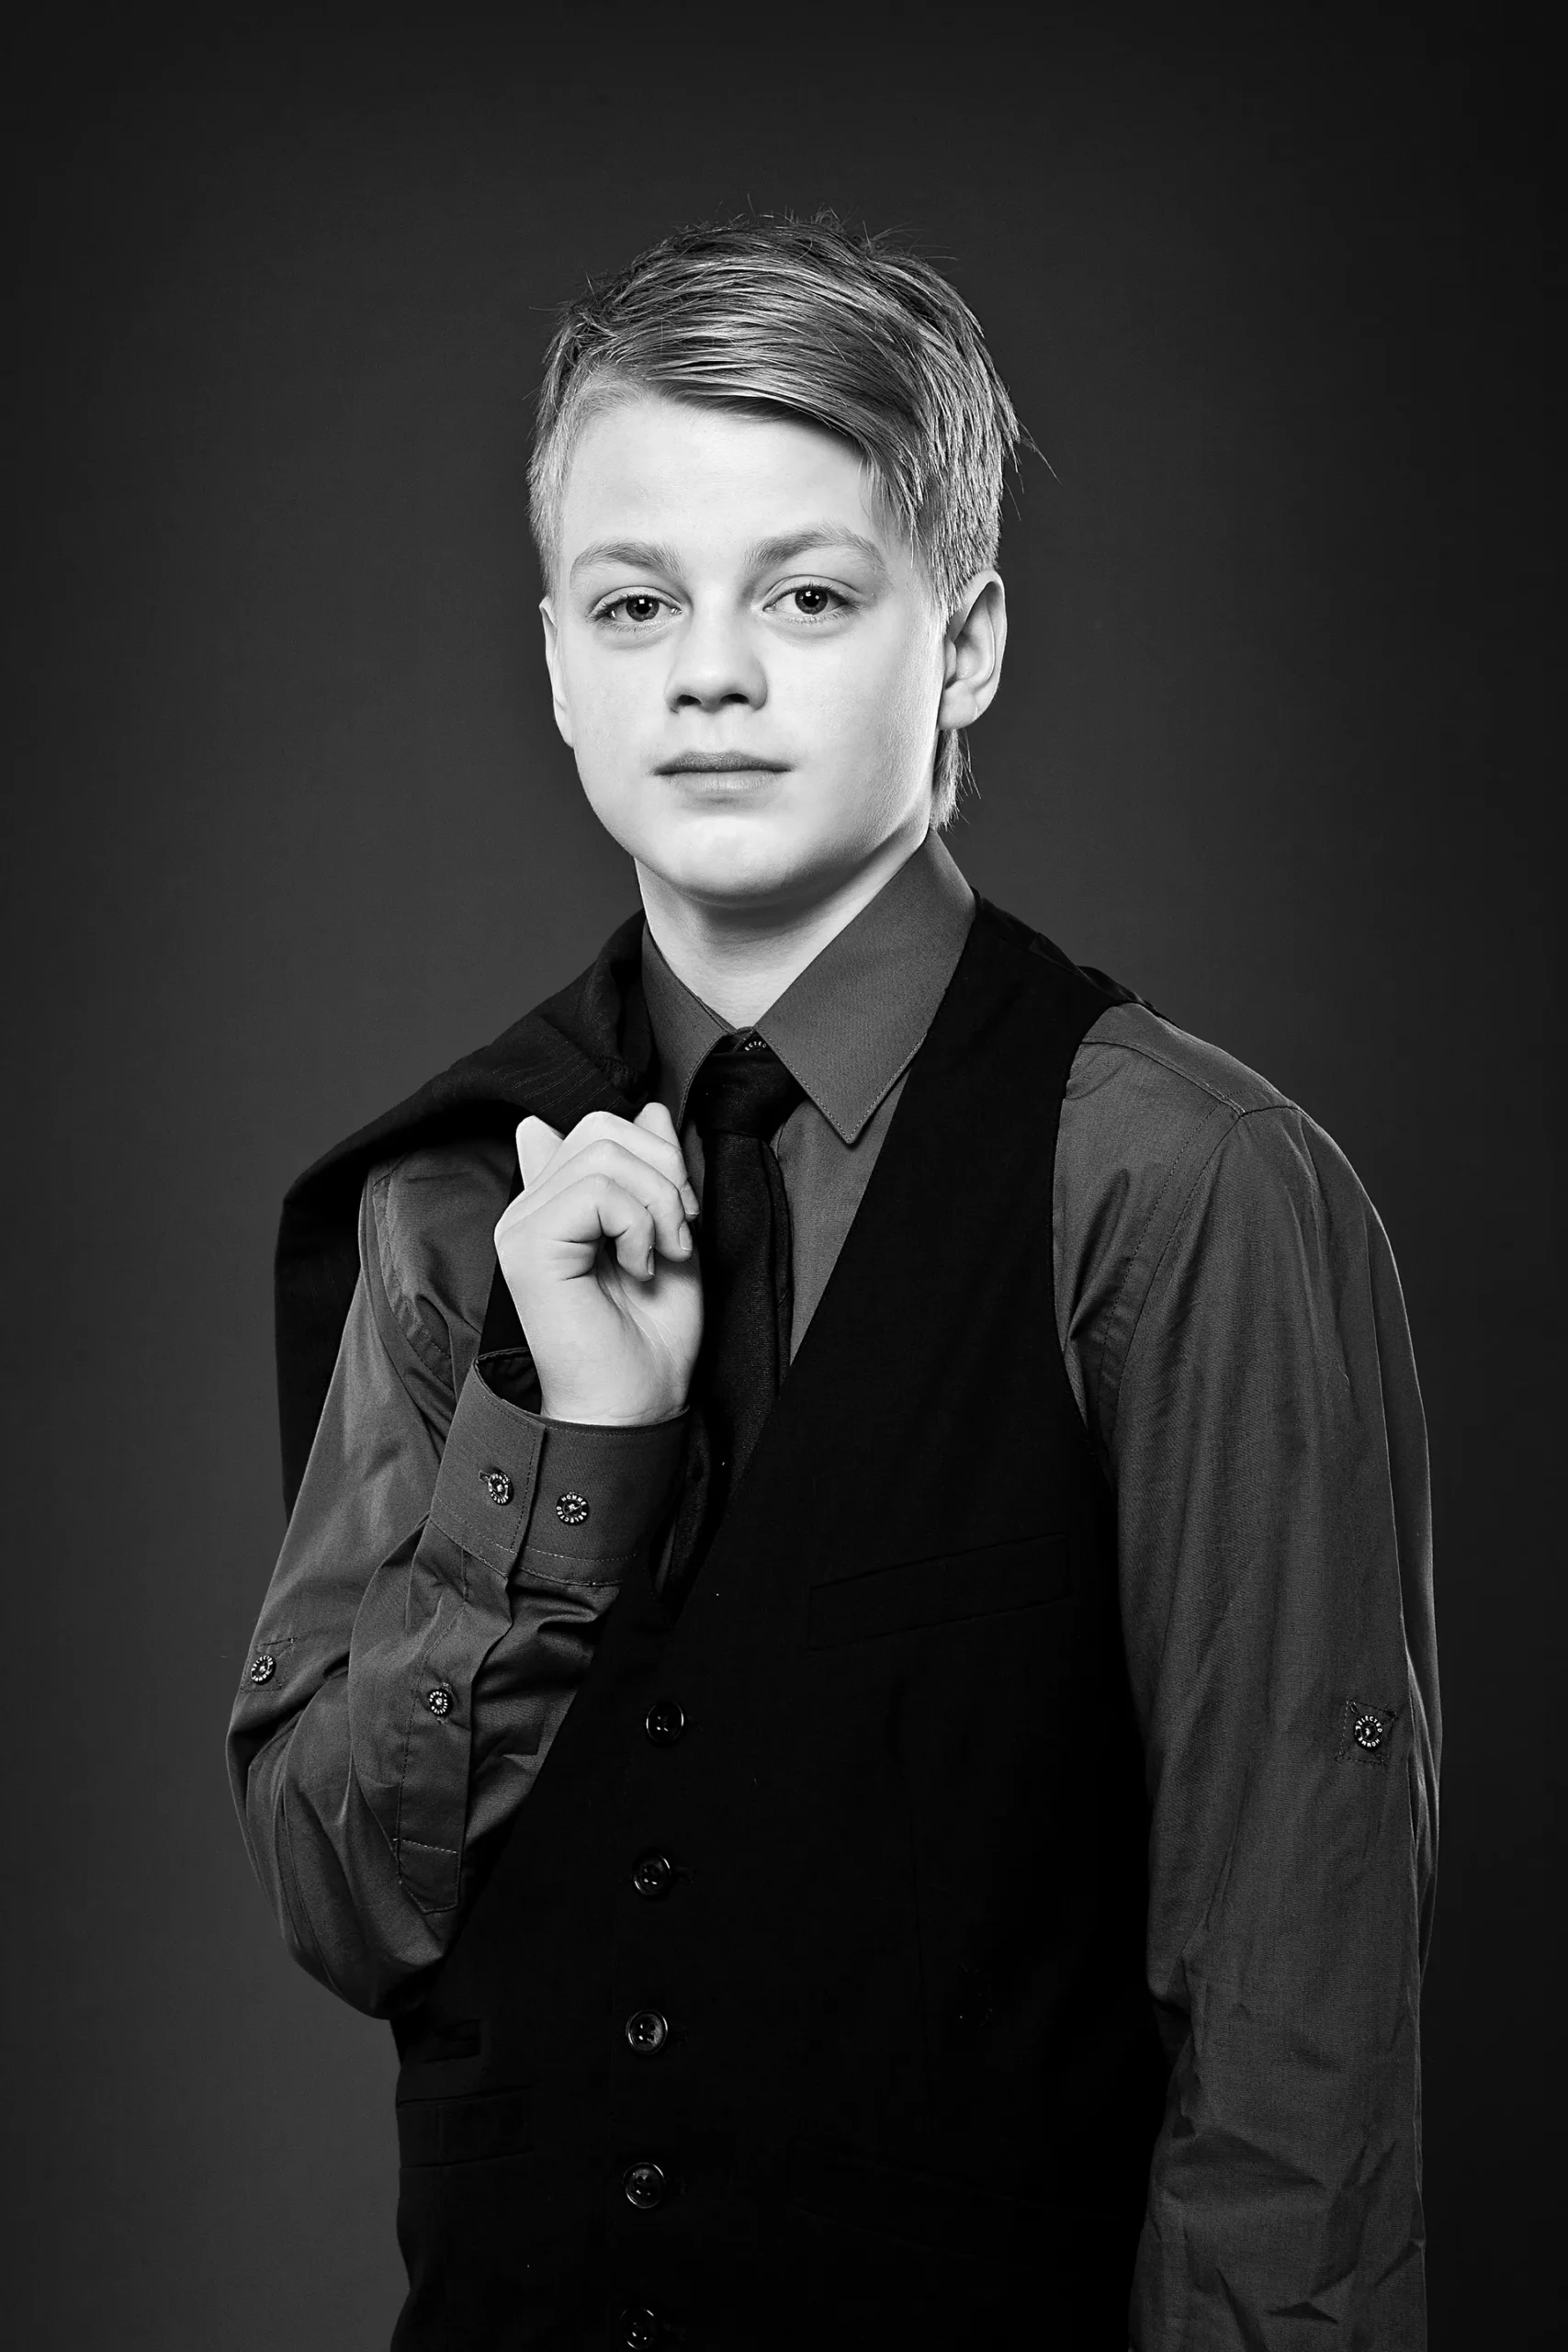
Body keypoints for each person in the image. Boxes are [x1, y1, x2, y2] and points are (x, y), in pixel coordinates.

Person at [227, 215, 1438, 2351]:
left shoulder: (1178, 1180)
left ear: (961, 643)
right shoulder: (453, 1195)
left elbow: (1294, 2037)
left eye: (803, 594)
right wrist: (566, 1447)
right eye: (636, 602)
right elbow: (352, 1899)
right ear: (557, 663)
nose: (709, 671)